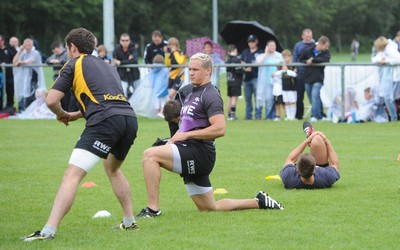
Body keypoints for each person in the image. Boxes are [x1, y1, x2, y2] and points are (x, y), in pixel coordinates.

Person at [20, 28, 139, 242]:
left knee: (72, 175)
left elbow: (51, 100)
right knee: (112, 168)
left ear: (72, 48)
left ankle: (47, 231)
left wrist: (62, 114)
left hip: (105, 121)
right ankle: (129, 221)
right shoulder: (107, 65)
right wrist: (75, 115)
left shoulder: (74, 64)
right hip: (129, 118)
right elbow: (105, 98)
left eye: (67, 49)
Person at [136, 53, 284, 219]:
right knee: (209, 208)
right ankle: (258, 202)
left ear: (208, 71)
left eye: (195, 69)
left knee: (149, 155)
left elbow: (220, 129)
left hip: (200, 153)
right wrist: (173, 141)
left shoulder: (211, 95)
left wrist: (185, 136)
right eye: (190, 69)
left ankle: (152, 210)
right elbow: (179, 123)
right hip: (188, 151)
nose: (191, 73)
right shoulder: (186, 92)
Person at [280, 121, 340, 189]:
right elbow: (335, 164)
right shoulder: (327, 177)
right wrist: (326, 140)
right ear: (315, 168)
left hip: (306, 171)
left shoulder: (288, 177)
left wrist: (307, 141)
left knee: (316, 139)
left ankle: (310, 136)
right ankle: (312, 135)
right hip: (321, 168)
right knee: (317, 139)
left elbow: (290, 159)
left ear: (296, 168)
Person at [298, 36, 331, 122]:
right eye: (326, 46)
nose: (327, 48)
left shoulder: (326, 52)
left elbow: (325, 60)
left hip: (318, 78)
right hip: (308, 77)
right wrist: (306, 62)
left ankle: (315, 116)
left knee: (315, 95)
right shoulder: (308, 50)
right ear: (321, 44)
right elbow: (301, 59)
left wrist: (313, 60)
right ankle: (321, 115)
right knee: (312, 97)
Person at [12, 38, 46, 112]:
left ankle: (32, 110)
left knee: (31, 95)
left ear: (32, 45)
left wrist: (20, 62)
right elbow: (14, 61)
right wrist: (19, 51)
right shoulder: (23, 53)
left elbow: (29, 61)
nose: (27, 47)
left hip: (34, 77)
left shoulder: (36, 53)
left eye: (29, 45)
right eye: (26, 45)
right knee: (23, 92)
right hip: (24, 78)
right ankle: (24, 109)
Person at [371, 36, 400, 122]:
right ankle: (394, 117)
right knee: (389, 98)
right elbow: (374, 59)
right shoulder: (384, 50)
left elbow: (398, 59)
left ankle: (394, 117)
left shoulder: (390, 49)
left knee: (390, 98)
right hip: (392, 78)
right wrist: (381, 59)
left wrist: (387, 61)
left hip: (396, 77)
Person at [255, 40, 283, 120]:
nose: (272, 47)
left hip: (277, 81)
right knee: (269, 99)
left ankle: (275, 116)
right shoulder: (263, 55)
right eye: (270, 45)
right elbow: (257, 63)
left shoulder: (279, 55)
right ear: (267, 47)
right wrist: (266, 53)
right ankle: (268, 116)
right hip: (266, 81)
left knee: (276, 99)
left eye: (273, 45)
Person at [45, 41, 76, 112]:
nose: (55, 52)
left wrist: (58, 61)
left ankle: (67, 111)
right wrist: (52, 61)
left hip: (66, 78)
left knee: (66, 96)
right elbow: (47, 60)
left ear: (60, 48)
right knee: (59, 97)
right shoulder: (54, 55)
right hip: (57, 79)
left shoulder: (66, 54)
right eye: (54, 51)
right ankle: (62, 111)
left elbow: (67, 61)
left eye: (56, 50)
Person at [293, 28, 314, 120]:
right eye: (307, 36)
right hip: (301, 73)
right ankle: (298, 115)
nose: (309, 38)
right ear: (302, 36)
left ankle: (316, 114)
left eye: (310, 36)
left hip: (312, 74)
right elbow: (294, 59)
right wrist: (297, 68)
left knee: (313, 95)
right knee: (299, 95)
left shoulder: (315, 45)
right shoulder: (298, 46)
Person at [241, 34, 263, 120]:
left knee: (258, 97)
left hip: (256, 77)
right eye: (249, 41)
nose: (251, 43)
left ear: (256, 42)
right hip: (246, 78)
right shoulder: (245, 51)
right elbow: (242, 61)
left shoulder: (260, 52)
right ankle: (248, 115)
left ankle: (258, 115)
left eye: (253, 41)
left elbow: (260, 61)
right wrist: (245, 67)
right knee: (247, 98)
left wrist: (252, 67)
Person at [113, 33, 140, 98]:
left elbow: (134, 60)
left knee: (137, 93)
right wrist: (128, 61)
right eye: (123, 40)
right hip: (122, 75)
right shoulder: (117, 49)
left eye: (127, 40)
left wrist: (120, 62)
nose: (125, 42)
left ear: (129, 41)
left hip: (134, 74)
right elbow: (115, 61)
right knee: (122, 92)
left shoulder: (133, 48)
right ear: (120, 41)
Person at [273, 49, 297, 121]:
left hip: (292, 87)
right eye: (284, 57)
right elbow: (278, 73)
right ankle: (288, 116)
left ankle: (293, 116)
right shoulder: (281, 66)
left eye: (287, 57)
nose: (286, 59)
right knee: (286, 102)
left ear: (290, 57)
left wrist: (286, 70)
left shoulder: (293, 66)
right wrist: (279, 72)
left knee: (292, 102)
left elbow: (294, 74)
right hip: (284, 87)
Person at [0, 34, 17, 113]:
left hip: (9, 75)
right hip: (0, 76)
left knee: (10, 91)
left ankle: (10, 107)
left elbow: (15, 57)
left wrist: (13, 48)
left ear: (3, 41)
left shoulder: (9, 49)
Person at [225, 44, 243, 120]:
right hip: (236, 82)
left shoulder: (228, 60)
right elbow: (239, 71)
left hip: (229, 81)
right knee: (234, 98)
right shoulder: (237, 60)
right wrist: (243, 68)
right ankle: (233, 115)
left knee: (229, 97)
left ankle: (229, 115)